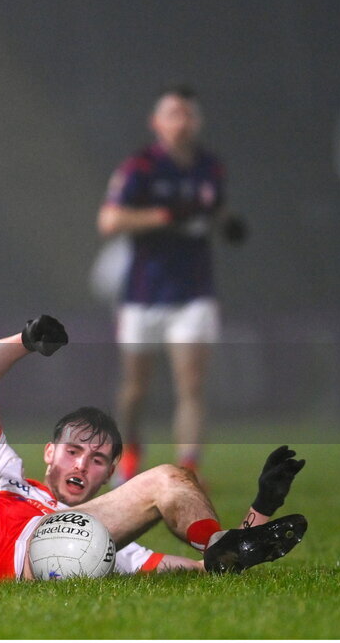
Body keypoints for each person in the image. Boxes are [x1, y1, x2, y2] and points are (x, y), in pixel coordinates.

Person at [0, 315, 306, 587]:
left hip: (49, 549)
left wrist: (261, 510)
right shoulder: (3, 469)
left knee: (170, 477)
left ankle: (216, 536)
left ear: (109, 475)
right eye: (74, 450)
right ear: (49, 452)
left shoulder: (100, 542)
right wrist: (24, 341)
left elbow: (209, 571)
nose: (82, 464)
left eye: (98, 460)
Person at [97, 84, 248, 484]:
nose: (180, 122)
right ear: (156, 122)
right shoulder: (140, 167)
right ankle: (129, 453)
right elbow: (110, 221)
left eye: (187, 114)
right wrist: (163, 216)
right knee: (135, 388)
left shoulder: (209, 167)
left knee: (192, 383)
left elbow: (214, 208)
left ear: (197, 121)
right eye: (172, 114)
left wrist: (227, 221)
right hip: (143, 293)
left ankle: (188, 469)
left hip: (194, 292)